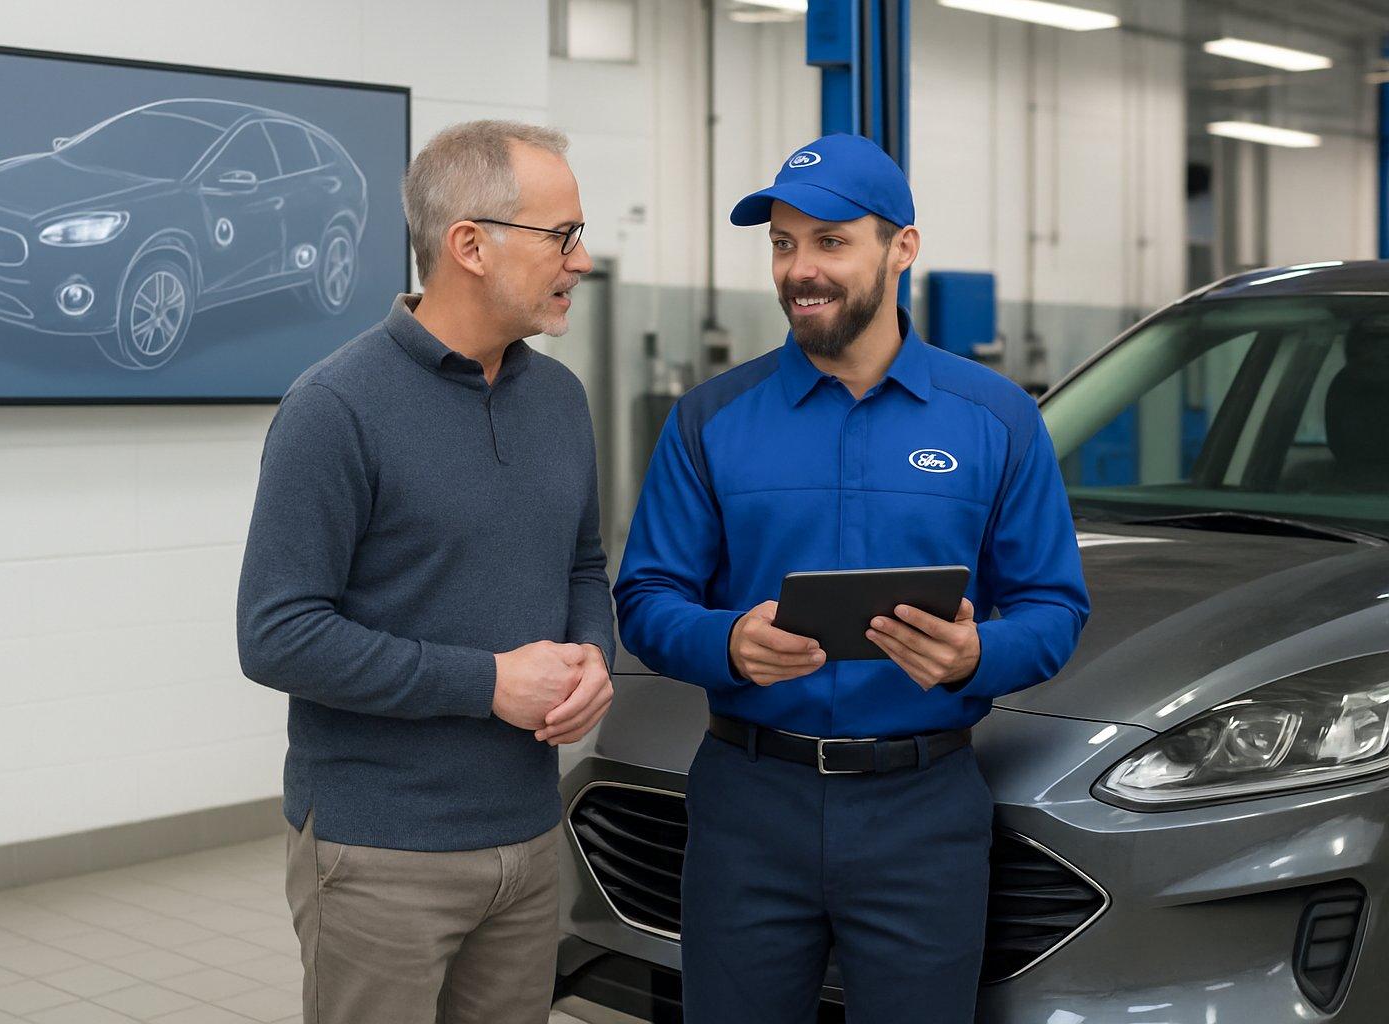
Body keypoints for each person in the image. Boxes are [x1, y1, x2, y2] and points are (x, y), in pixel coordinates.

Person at [613, 132, 1090, 1024]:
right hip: (750, 806)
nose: (802, 270)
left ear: (901, 247)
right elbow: (644, 599)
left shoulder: (996, 421)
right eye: (784, 244)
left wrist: (972, 655)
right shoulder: (711, 420)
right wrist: (727, 641)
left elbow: (1056, 608)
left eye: (831, 241)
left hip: (922, 812)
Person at [237, 120, 615, 1024]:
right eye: (562, 235)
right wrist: (487, 683)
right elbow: (276, 634)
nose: (583, 259)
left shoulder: (559, 398)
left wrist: (593, 655)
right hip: (379, 854)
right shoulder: (334, 408)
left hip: (527, 839)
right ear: (470, 246)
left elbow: (584, 565)